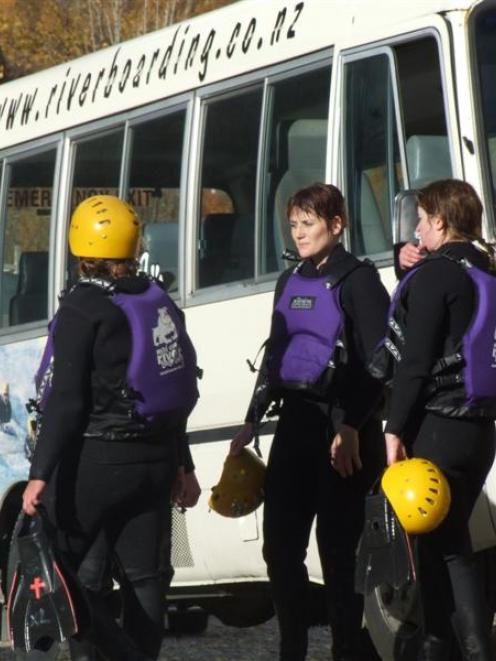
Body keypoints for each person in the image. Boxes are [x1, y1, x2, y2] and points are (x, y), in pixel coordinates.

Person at [21, 195, 201, 661]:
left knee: (64, 567)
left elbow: (67, 399)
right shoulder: (155, 298)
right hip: (157, 459)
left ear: (79, 247)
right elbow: (170, 388)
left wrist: (40, 473)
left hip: (99, 460)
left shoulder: (84, 305)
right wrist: (185, 464)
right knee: (146, 578)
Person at [231, 183, 389, 661]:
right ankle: (292, 650)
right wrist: (250, 421)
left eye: (309, 223)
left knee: (339, 558)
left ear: (336, 225)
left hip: (345, 429)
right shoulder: (290, 280)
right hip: (296, 427)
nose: (298, 233)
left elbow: (381, 363)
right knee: (279, 550)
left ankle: (346, 650)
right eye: (294, 224)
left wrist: (349, 425)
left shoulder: (358, 280)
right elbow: (276, 352)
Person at [373, 179, 496, 660]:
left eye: (422, 219)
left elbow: (415, 363)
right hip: (480, 428)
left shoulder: (435, 277)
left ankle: (458, 648)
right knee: (450, 541)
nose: (417, 228)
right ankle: (445, 645)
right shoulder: (485, 268)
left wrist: (393, 429)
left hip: (438, 428)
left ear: (441, 222)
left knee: (439, 549)